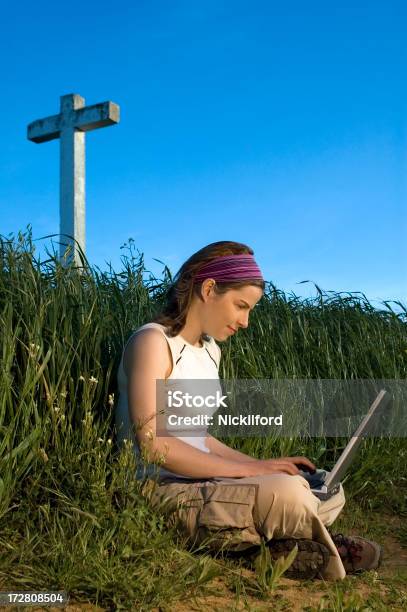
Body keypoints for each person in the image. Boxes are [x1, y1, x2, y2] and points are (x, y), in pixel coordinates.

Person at [115, 240, 382, 580]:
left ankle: (273, 544)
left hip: (203, 481)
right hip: (159, 489)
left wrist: (259, 465)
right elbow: (155, 445)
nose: (245, 322)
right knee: (289, 494)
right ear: (209, 289)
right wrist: (250, 473)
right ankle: (313, 547)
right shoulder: (153, 342)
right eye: (241, 306)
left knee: (318, 484)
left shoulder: (210, 351)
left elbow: (199, 438)